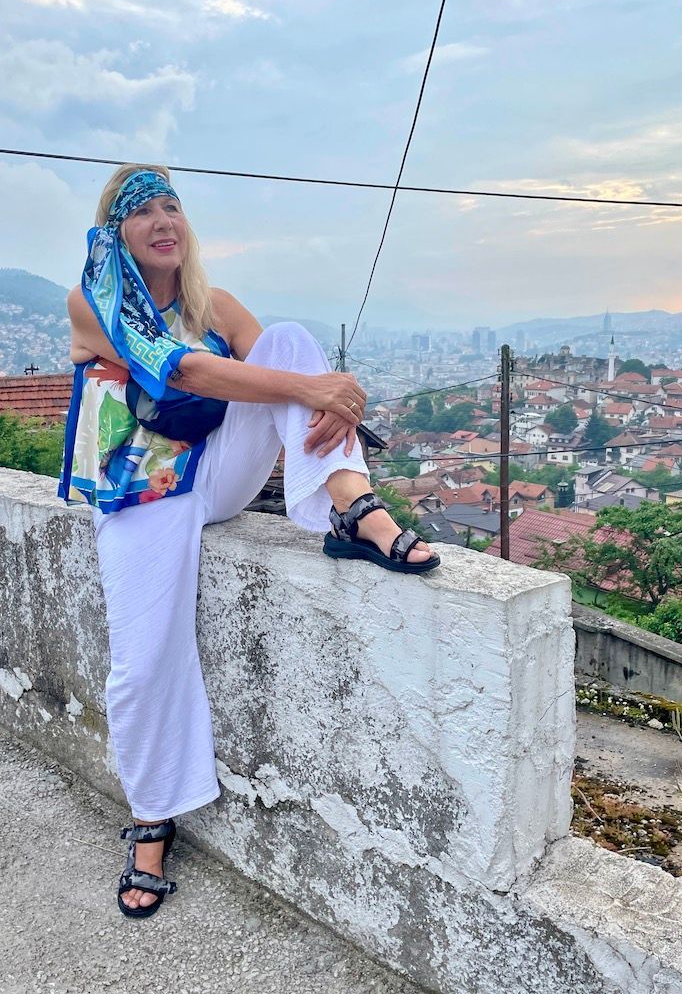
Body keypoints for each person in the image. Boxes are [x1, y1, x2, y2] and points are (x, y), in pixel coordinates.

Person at [59, 163, 439, 920]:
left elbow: (280, 386)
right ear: (116, 232)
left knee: (290, 342)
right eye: (142, 211)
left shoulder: (216, 304)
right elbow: (179, 371)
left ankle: (354, 507)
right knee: (143, 661)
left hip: (215, 473)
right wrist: (313, 389)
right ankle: (152, 817)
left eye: (171, 206)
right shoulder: (92, 300)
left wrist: (325, 396)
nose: (163, 221)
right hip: (139, 490)